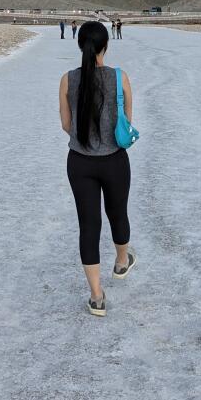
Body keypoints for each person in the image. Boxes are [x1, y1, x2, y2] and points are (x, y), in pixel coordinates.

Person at [59, 21, 136, 317]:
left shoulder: (68, 79)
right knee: (118, 213)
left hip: (79, 162)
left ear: (81, 45)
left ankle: (96, 297)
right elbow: (127, 120)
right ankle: (120, 262)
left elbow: (66, 125)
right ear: (106, 45)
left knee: (88, 225)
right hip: (114, 159)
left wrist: (85, 141)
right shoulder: (120, 77)